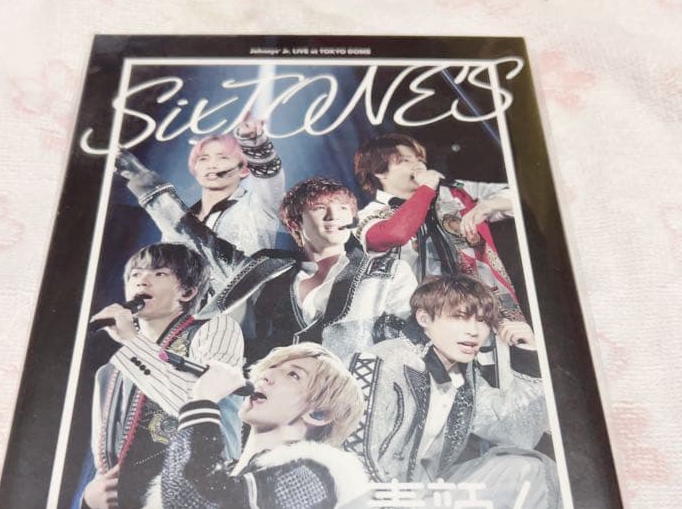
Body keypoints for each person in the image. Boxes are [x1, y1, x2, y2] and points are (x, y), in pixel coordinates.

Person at [345, 275, 567, 509]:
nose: (474, 331)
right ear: (424, 318)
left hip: (425, 505)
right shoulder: (380, 361)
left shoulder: (463, 376)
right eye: (459, 317)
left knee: (530, 470)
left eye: (483, 321)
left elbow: (517, 433)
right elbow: (355, 458)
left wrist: (529, 357)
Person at [122, 343, 381, 509]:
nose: (267, 375)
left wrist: (203, 401)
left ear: (319, 414)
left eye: (293, 374)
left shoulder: (315, 478)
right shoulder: (225, 475)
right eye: (271, 367)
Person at [75, 242, 244, 509]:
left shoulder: (216, 330)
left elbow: (198, 404)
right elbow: (106, 457)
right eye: (135, 274)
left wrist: (132, 341)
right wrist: (89, 500)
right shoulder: (110, 371)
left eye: (159, 273)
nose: (142, 280)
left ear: (187, 291)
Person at [212, 177, 418, 364]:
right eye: (319, 208)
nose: (333, 216)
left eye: (343, 208)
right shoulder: (269, 271)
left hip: (356, 390)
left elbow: (409, 344)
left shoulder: (389, 272)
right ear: (295, 223)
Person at [115, 114, 290, 301]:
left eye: (223, 158)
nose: (212, 165)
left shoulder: (260, 206)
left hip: (248, 309)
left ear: (244, 168)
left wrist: (253, 142)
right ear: (195, 167)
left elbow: (271, 179)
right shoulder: (175, 220)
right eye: (204, 159)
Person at [353, 133, 524, 321]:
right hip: (425, 320)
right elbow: (395, 234)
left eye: (419, 159)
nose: (419, 166)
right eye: (406, 160)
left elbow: (520, 195)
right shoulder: (368, 215)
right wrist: (426, 189)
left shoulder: (455, 193)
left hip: (488, 310)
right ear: (379, 171)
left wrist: (489, 205)